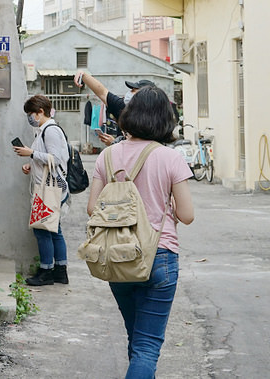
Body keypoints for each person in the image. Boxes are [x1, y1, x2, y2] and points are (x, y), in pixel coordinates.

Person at [86, 85, 194, 378]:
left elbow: (92, 207)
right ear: (165, 120)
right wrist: (166, 205)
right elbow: (187, 215)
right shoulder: (171, 158)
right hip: (159, 256)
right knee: (147, 347)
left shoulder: (107, 156)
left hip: (117, 255)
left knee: (137, 341)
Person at [13, 94, 70, 286]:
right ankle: (60, 271)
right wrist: (31, 162)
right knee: (54, 229)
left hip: (50, 189)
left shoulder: (50, 131)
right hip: (48, 187)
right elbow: (47, 158)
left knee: (43, 230)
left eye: (31, 113)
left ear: (41, 112)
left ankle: (47, 271)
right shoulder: (44, 130)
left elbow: (55, 158)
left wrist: (32, 153)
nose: (30, 117)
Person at [74, 71, 155, 145]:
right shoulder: (123, 107)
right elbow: (102, 92)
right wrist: (83, 74)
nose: (129, 93)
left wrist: (114, 143)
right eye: (131, 90)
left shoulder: (156, 119)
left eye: (134, 91)